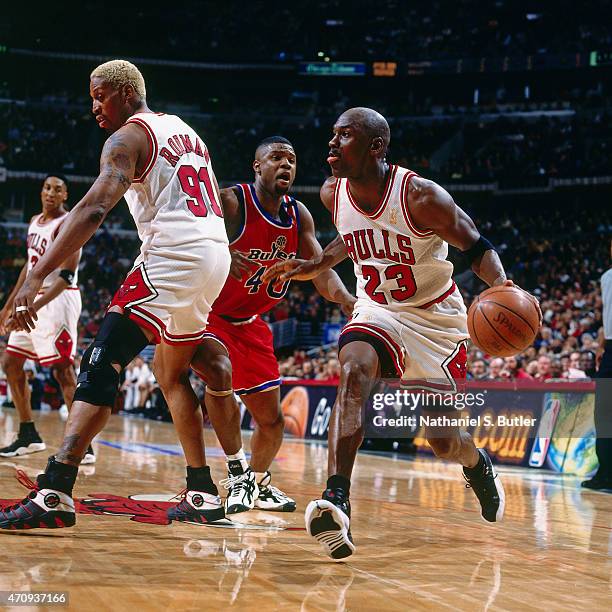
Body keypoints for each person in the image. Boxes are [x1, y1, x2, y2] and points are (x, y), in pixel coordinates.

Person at [266, 107, 541, 559]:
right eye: (332, 134)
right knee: (354, 368)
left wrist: (503, 287)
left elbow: (476, 246)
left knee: (444, 442)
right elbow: (350, 238)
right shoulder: (333, 192)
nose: (332, 143)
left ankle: (476, 464)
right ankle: (337, 499)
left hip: (434, 320)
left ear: (375, 147)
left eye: (345, 135)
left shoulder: (420, 196)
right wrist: (315, 265)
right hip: (378, 309)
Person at [0, 60, 248, 530]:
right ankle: (202, 491)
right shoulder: (184, 130)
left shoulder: (128, 138)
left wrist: (35, 277)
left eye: (99, 96)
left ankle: (55, 490)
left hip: (174, 255)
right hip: (214, 256)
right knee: (170, 375)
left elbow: (94, 207)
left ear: (126, 92)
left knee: (102, 358)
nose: (93, 106)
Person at [191, 136, 355, 514]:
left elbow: (319, 270)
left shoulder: (300, 216)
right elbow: (183, 220)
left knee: (273, 421)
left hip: (251, 324)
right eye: (276, 158)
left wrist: (345, 298)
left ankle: (258, 483)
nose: (286, 165)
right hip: (209, 313)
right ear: (257, 166)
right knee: (219, 373)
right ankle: (236, 473)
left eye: (292, 160)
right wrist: (218, 248)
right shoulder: (232, 201)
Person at [0, 175, 93, 463]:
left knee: (63, 371)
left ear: (66, 196)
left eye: (58, 190)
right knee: (11, 363)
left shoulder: (69, 225)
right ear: (41, 192)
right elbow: (29, 268)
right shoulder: (33, 221)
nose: (51, 193)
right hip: (32, 299)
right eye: (47, 188)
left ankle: (82, 445)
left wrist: (34, 305)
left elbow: (66, 277)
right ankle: (28, 435)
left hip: (57, 300)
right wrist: (9, 304)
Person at [582, 242, 612, 490]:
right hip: (611, 348)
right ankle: (605, 473)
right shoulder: (606, 277)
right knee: (603, 414)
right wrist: (601, 345)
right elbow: (607, 316)